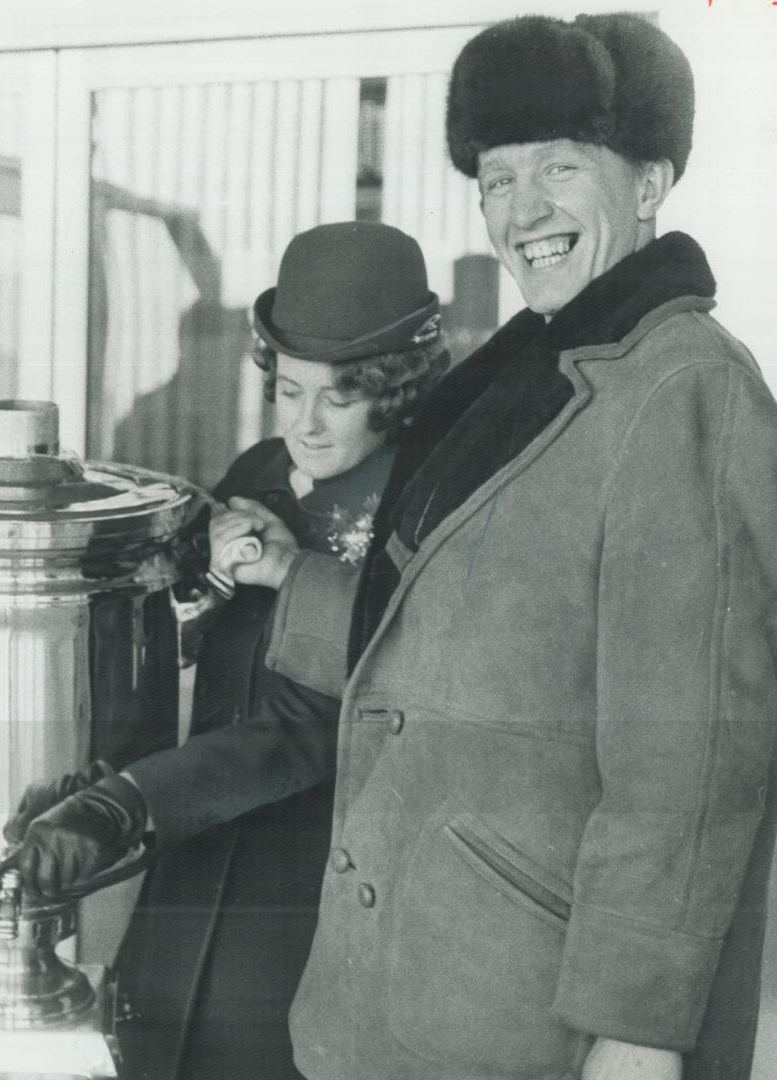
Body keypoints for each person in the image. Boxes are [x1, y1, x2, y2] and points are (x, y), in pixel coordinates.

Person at [216, 15, 775, 1080]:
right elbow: (472, 658)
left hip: (531, 1030)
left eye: (561, 168)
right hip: (416, 996)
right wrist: (296, 585)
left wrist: (638, 1038)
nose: (521, 213)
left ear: (651, 180)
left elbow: (687, 771)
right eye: (496, 179)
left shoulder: (685, 391)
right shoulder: (532, 370)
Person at [2, 221, 449, 1079]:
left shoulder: (421, 510)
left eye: (339, 396)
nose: (305, 425)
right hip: (190, 856)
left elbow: (313, 727)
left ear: (393, 390)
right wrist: (201, 587)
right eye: (287, 391)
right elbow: (197, 650)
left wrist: (124, 805)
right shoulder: (257, 473)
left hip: (307, 892)